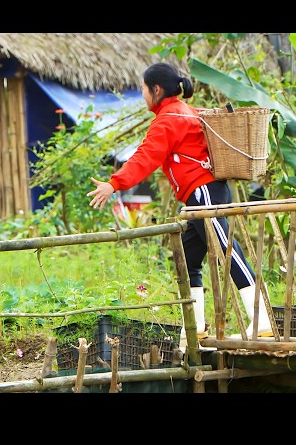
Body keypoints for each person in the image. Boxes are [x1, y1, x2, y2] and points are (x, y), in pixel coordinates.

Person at [86, 62, 272, 338]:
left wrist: (114, 184)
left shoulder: (170, 118)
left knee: (227, 251)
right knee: (187, 258)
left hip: (204, 191)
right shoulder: (185, 112)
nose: (142, 93)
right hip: (200, 194)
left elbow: (145, 156)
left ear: (156, 90)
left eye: (143, 88)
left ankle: (264, 321)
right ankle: (196, 328)